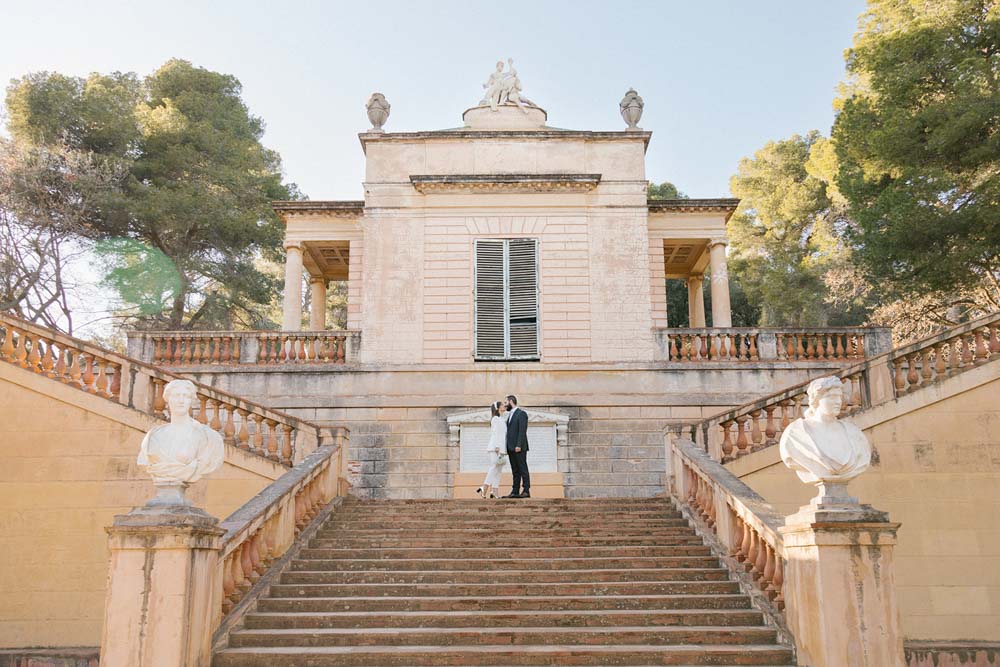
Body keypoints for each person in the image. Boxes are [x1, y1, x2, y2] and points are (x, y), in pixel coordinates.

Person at [476, 400, 507, 499]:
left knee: (498, 470)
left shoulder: (501, 419)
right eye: (502, 405)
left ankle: (494, 491)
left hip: (501, 448)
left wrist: (502, 448)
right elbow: (495, 433)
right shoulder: (495, 419)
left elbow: (503, 435)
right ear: (498, 408)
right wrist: (497, 446)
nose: (504, 406)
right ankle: (484, 487)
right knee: (494, 467)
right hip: (495, 447)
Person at [503, 395, 530, 498]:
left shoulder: (521, 414)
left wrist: (518, 445)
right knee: (515, 470)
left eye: (506, 403)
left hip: (519, 447)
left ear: (511, 401)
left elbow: (522, 431)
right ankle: (515, 491)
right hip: (510, 448)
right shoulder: (509, 415)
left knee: (523, 468)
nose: (505, 405)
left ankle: (526, 490)